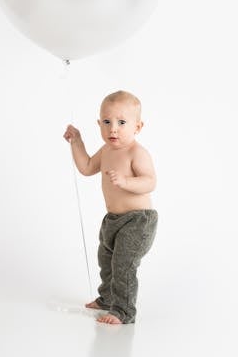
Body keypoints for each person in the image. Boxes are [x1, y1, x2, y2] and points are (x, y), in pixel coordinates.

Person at [63, 90, 158, 325]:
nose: (112, 128)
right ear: (99, 123)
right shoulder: (106, 151)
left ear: (138, 126)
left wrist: (126, 182)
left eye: (121, 122)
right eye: (106, 122)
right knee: (105, 259)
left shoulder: (137, 152)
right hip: (113, 219)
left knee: (123, 263)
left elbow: (150, 182)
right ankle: (107, 298)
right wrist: (77, 142)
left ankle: (123, 311)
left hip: (138, 221)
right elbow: (85, 167)